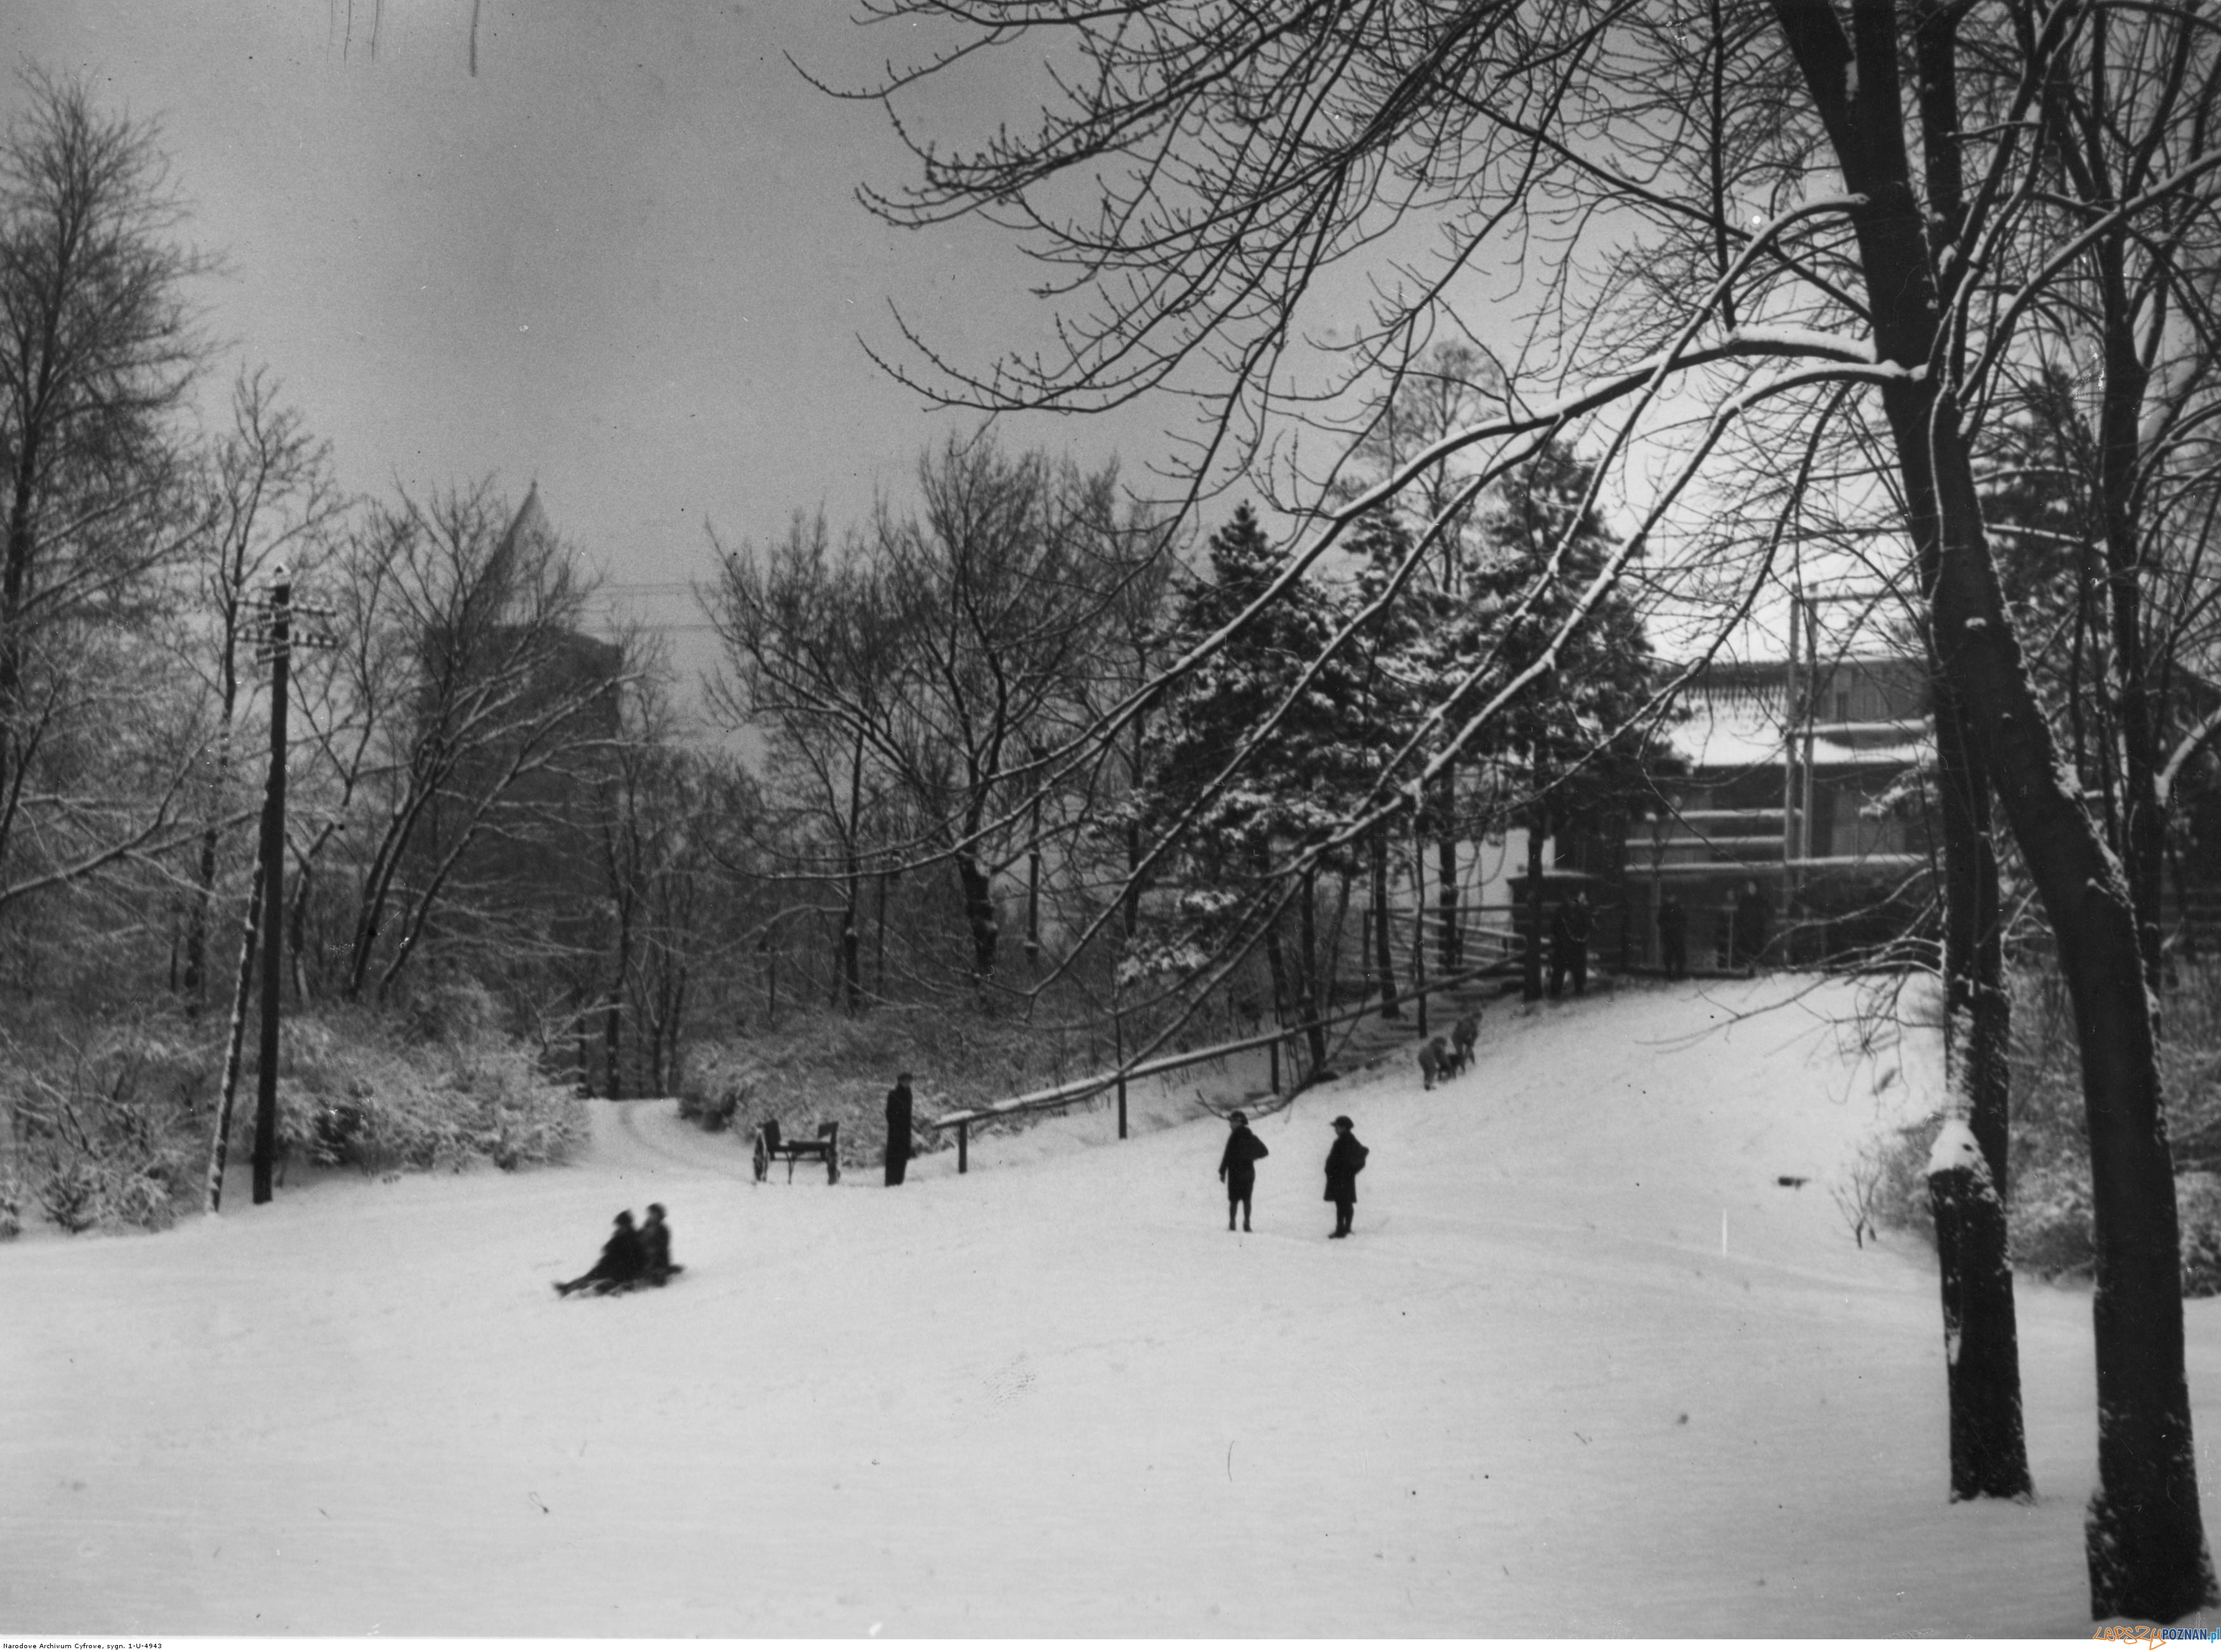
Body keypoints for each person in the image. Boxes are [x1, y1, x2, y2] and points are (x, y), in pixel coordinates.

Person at [554, 1210, 645, 1297]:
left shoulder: (632, 1236)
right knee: (591, 1276)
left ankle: (575, 1288)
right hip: (611, 1263)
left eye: (620, 1225)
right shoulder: (620, 1235)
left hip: (624, 1268)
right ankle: (568, 1287)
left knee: (599, 1278)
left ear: (626, 1225)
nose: (619, 1227)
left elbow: (632, 1256)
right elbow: (609, 1248)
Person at [1218, 1111, 1270, 1232]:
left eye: (1232, 1121)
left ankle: (1232, 1223)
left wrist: (1222, 1171)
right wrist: (1252, 1157)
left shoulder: (1234, 1136)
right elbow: (1264, 1151)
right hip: (1248, 1172)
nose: (1230, 1124)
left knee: (1234, 1200)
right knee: (1247, 1199)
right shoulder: (1250, 1136)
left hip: (1235, 1172)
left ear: (1239, 1122)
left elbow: (1228, 1154)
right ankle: (1247, 1223)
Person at [1323, 1114, 1369, 1239]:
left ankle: (1341, 1230)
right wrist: (1351, 1172)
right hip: (1345, 1178)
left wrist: (1337, 1171)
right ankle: (1346, 1228)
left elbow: (1340, 1160)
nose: (1335, 1129)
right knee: (1346, 1203)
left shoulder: (1343, 1141)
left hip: (1339, 1178)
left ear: (1343, 1128)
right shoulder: (1350, 1140)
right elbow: (1361, 1156)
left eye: (1337, 1126)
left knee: (1341, 1204)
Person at [1548, 890, 1593, 999]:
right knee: (1559, 972)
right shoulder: (1560, 911)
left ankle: (1580, 992)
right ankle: (1555, 995)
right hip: (1563, 947)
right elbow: (1554, 927)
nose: (1572, 900)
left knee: (1579, 973)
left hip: (1577, 948)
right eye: (1569, 897)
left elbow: (1587, 927)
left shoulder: (1582, 912)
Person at [1733, 881, 1773, 971]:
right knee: (1746, 949)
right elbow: (1739, 914)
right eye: (1750, 887)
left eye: (1753, 887)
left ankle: (1758, 967)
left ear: (1757, 888)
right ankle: (1745, 967)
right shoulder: (1744, 900)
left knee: (1757, 949)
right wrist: (1740, 926)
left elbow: (1769, 909)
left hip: (1757, 930)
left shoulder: (1761, 899)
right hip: (1746, 930)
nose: (1752, 889)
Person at [638, 1203, 682, 1286]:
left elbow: (662, 1247)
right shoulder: (645, 1227)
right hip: (644, 1256)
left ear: (659, 1215)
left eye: (653, 1214)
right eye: (650, 1214)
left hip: (658, 1259)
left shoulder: (663, 1230)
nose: (651, 1216)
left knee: (656, 1277)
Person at [885, 1071, 914, 1186]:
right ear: (900, 1082)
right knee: (894, 1156)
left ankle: (899, 1181)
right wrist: (895, 1124)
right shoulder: (893, 1094)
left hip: (905, 1130)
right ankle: (891, 1181)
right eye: (905, 1081)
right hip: (895, 1130)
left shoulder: (909, 1094)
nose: (907, 1083)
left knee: (903, 1156)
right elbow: (889, 1113)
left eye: (909, 1081)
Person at [1656, 892, 1689, 979]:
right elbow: (1660, 920)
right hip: (1670, 935)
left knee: (1679, 955)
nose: (1670, 899)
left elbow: (1684, 920)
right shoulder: (1668, 908)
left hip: (1676, 935)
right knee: (1669, 955)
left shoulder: (1675, 908)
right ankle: (1670, 974)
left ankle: (1679, 973)